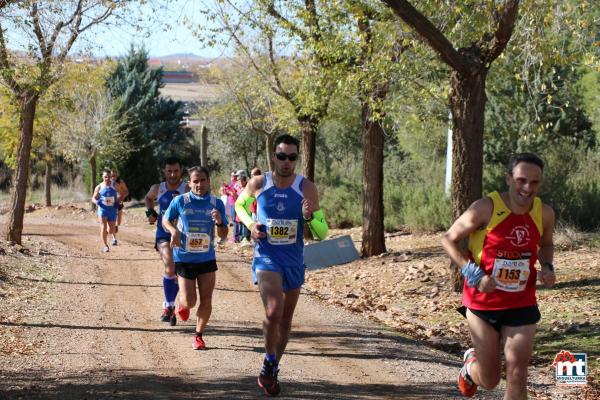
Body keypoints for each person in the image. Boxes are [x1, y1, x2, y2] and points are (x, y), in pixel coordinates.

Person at [441, 153, 556, 399]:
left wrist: (548, 266)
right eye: (521, 180)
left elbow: (546, 245)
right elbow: (448, 239)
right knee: (491, 380)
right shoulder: (485, 207)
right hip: (482, 304)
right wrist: (474, 274)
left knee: (517, 373)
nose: (527, 188)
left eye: (534, 182)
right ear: (508, 178)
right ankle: (471, 368)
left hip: (521, 302)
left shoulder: (544, 213)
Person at [235, 134, 329, 396]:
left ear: (296, 159)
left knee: (286, 319)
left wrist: (310, 218)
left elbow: (322, 233)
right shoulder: (259, 183)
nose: (286, 162)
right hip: (266, 257)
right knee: (274, 311)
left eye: (291, 157)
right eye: (281, 156)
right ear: (273, 156)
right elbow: (239, 206)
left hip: (294, 260)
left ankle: (272, 364)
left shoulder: (306, 188)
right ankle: (268, 360)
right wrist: (251, 225)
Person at [162, 166, 228, 350]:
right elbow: (165, 220)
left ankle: (198, 336)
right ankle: (181, 305)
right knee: (190, 301)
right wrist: (173, 230)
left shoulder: (217, 203)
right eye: (195, 181)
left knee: (206, 299)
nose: (199, 184)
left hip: (206, 258)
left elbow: (223, 235)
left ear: (209, 181)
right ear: (189, 183)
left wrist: (220, 222)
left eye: (203, 180)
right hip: (184, 257)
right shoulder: (180, 201)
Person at [144, 157, 189, 325]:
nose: (172, 174)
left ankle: (173, 303)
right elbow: (148, 199)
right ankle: (169, 306)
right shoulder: (158, 188)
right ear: (164, 171)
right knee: (170, 267)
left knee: (178, 272)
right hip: (163, 234)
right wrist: (150, 213)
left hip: (184, 236)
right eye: (169, 171)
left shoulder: (187, 188)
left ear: (181, 170)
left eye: (176, 171)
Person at [91, 170, 119, 253]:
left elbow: (120, 194)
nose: (107, 178)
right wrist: (97, 202)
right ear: (102, 177)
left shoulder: (115, 185)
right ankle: (105, 246)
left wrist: (118, 202)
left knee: (111, 230)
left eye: (109, 176)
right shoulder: (99, 187)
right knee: (103, 226)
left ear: (111, 176)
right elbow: (93, 198)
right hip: (103, 209)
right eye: (106, 177)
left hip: (112, 210)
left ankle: (107, 232)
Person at [110, 169, 129, 246]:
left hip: (119, 202)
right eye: (112, 175)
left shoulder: (120, 182)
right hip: (110, 204)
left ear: (117, 175)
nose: (113, 177)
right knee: (112, 220)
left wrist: (122, 197)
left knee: (119, 222)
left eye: (114, 175)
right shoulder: (107, 182)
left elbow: (127, 191)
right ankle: (114, 238)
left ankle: (115, 227)